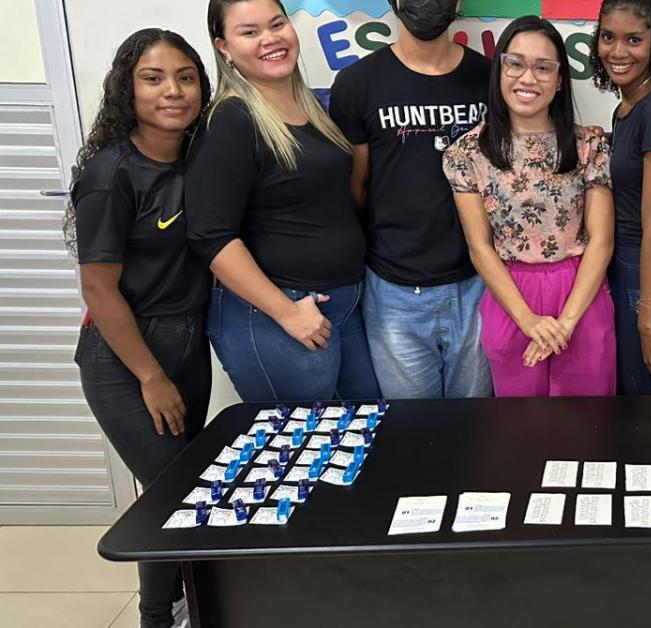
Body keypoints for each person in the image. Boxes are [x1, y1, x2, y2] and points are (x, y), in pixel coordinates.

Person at [67, 28, 211, 628]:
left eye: (185, 77)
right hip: (125, 358)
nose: (173, 91)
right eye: (153, 79)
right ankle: (160, 616)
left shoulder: (202, 157)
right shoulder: (111, 173)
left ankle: (177, 606)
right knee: (173, 497)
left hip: (188, 344)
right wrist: (150, 376)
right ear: (129, 89)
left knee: (170, 497)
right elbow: (99, 289)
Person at [187, 0, 381, 402]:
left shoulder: (308, 107)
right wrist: (287, 312)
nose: (270, 39)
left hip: (339, 309)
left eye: (277, 24)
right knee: (302, 455)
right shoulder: (231, 120)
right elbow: (211, 237)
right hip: (280, 316)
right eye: (250, 32)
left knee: (364, 441)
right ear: (223, 47)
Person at [443, 16, 616, 397]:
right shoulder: (467, 153)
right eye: (515, 64)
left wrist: (565, 323)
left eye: (543, 68)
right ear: (500, 69)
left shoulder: (589, 146)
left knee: (587, 427)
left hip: (581, 295)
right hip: (511, 298)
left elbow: (601, 241)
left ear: (558, 80)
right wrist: (530, 321)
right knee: (520, 431)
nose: (527, 78)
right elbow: (479, 246)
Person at [329, 0, 493, 399]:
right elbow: (357, 185)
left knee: (475, 434)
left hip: (479, 285)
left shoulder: (490, 78)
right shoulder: (357, 82)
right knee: (410, 434)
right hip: (394, 291)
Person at [588, 0, 651, 394]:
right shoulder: (627, 106)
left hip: (642, 273)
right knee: (627, 397)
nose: (617, 51)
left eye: (634, 39)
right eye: (608, 37)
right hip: (620, 264)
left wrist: (647, 322)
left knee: (644, 403)